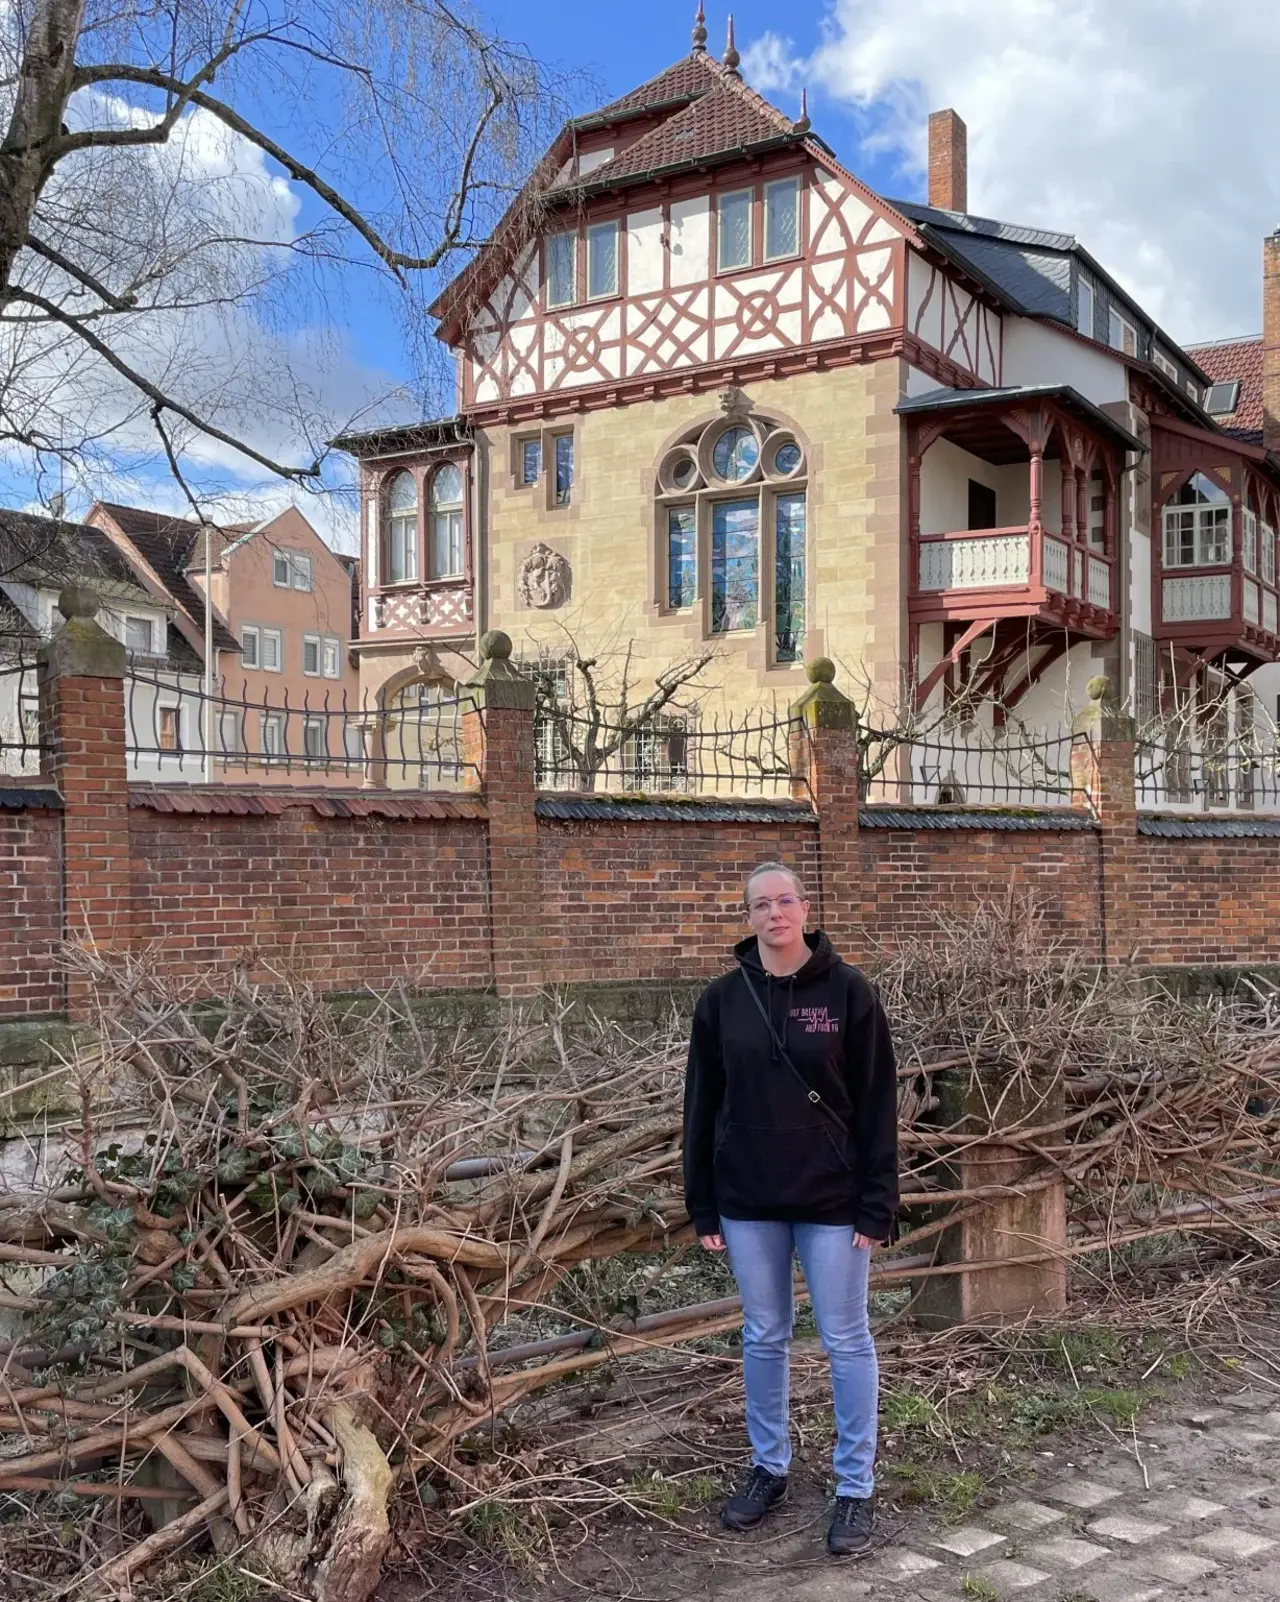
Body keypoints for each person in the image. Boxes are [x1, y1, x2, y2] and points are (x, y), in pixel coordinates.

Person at [682, 862, 899, 1558]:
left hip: (834, 1201)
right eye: (759, 905)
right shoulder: (721, 1001)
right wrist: (704, 1203)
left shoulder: (848, 992)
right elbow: (701, 1107)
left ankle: (855, 1486)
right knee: (763, 1334)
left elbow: (877, 1105)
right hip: (749, 1198)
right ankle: (769, 1469)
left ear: (805, 908)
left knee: (845, 1338)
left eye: (784, 901)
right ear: (746, 918)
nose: (773, 914)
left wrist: (878, 1202)